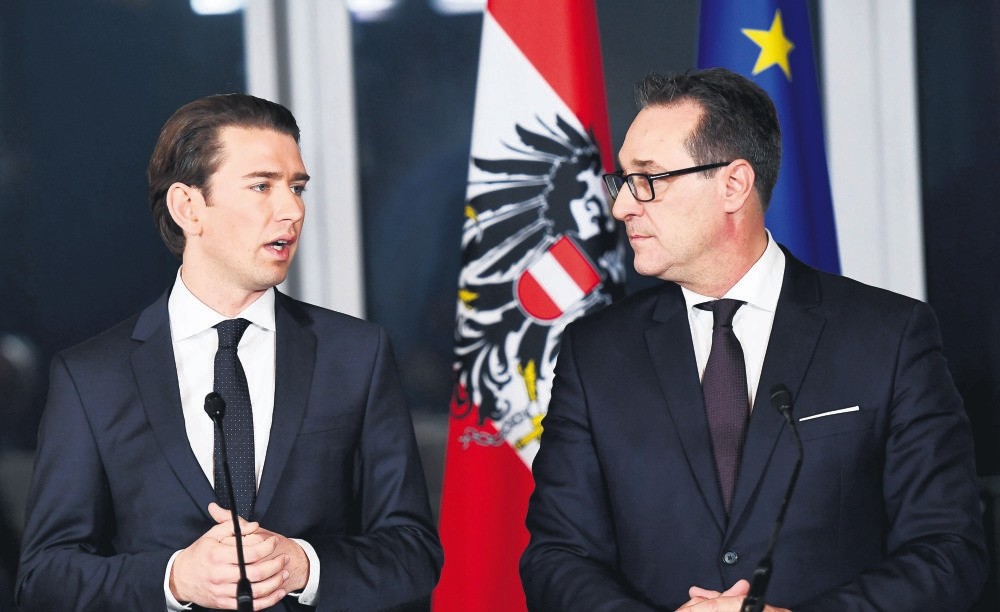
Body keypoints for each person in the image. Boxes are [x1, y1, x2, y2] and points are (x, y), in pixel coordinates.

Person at [520, 68, 987, 611]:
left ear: (733, 185)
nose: (623, 205)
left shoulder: (889, 337)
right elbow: (556, 556)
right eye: (622, 180)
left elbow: (948, 550)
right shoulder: (594, 354)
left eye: (648, 179)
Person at [16, 93, 442, 611]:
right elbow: (44, 577)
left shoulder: (356, 355)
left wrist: (302, 565)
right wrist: (174, 581)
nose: (292, 210)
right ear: (188, 207)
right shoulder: (92, 377)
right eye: (262, 186)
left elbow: (414, 553)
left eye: (297, 188)